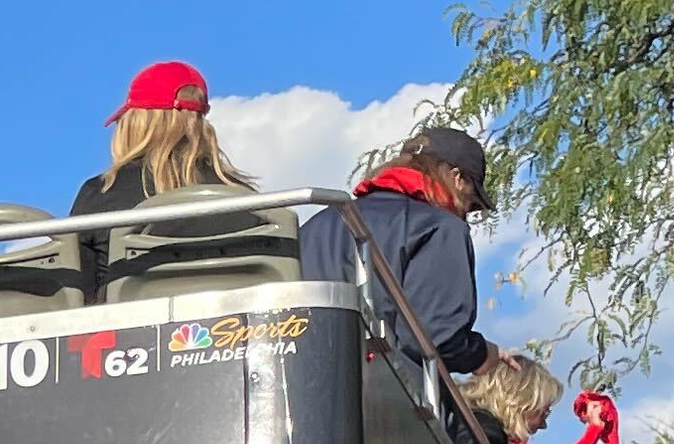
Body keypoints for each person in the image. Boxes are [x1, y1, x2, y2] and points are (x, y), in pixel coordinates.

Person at [71, 60, 302, 294]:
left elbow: (74, 292)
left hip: (127, 328)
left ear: (136, 122)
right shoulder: (248, 203)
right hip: (235, 328)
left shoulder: (101, 193)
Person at [294, 120, 496, 375]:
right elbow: (438, 338)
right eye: (471, 203)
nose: (467, 214)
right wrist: (482, 355)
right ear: (457, 179)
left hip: (302, 382)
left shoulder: (320, 222)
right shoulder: (440, 227)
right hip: (379, 400)